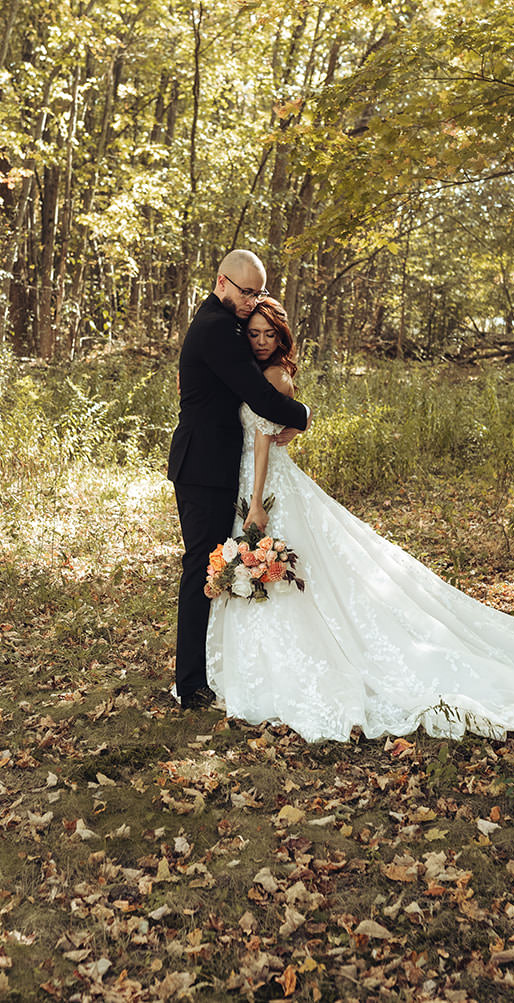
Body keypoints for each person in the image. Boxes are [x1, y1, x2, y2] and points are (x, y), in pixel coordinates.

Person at [207, 297, 514, 742]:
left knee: (289, 570)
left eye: (270, 333)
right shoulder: (250, 370)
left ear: (283, 337)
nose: (263, 340)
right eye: (255, 333)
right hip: (254, 479)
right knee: (294, 575)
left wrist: (255, 503)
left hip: (266, 486)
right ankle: (269, 664)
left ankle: (291, 670)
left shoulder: (274, 377)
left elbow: (270, 438)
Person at [168, 251, 310, 711]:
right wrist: (303, 415)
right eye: (246, 292)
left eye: (258, 293)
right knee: (201, 571)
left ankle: (208, 669)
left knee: (213, 569)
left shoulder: (224, 323)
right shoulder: (215, 328)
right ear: (221, 282)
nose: (252, 301)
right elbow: (258, 396)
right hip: (204, 469)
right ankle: (190, 685)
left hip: (218, 465)